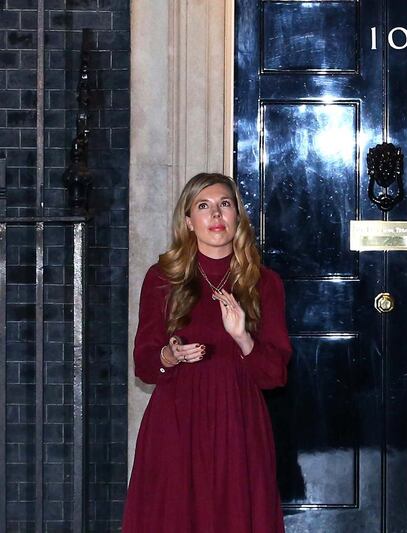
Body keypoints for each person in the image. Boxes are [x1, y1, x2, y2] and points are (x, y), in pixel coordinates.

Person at [123, 173, 292, 532]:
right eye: (204, 206)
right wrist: (170, 356)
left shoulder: (264, 282)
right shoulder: (161, 278)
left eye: (224, 205)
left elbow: (274, 373)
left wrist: (243, 337)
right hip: (177, 420)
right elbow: (144, 362)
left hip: (239, 421)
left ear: (237, 217)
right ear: (188, 221)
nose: (216, 215)